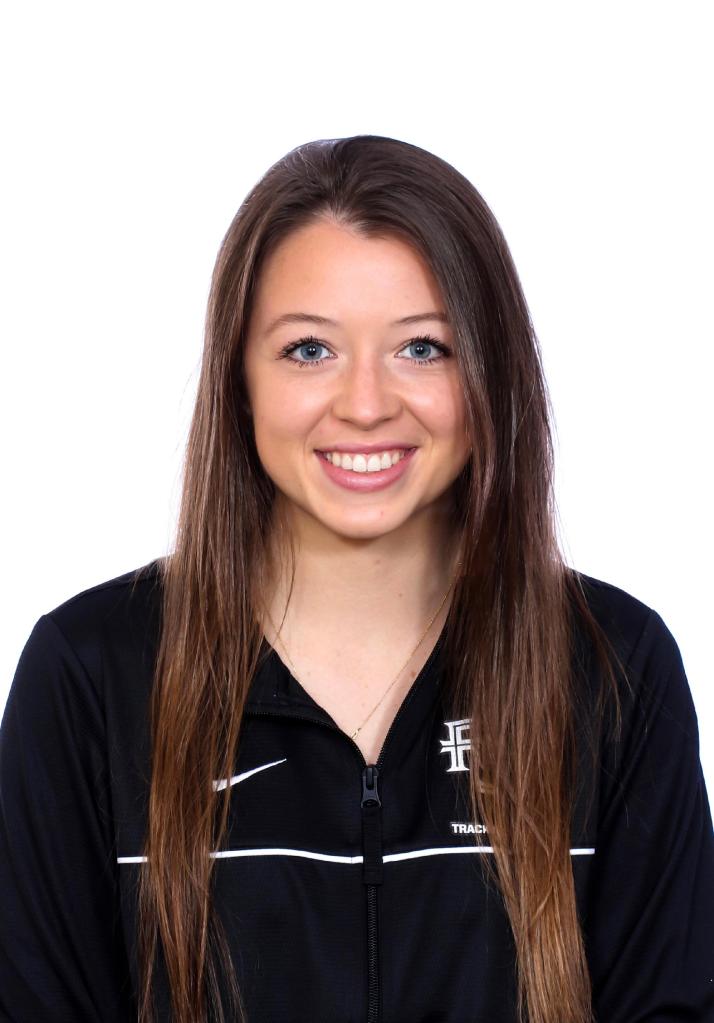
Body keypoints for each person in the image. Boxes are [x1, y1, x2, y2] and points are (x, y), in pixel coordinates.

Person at [1, 134, 712, 1023]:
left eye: (423, 348)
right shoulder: (90, 675)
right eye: (309, 349)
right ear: (239, 378)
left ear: (489, 371)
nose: (367, 404)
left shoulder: (615, 669)